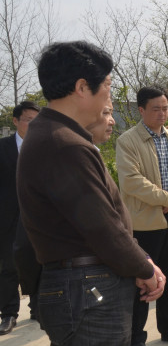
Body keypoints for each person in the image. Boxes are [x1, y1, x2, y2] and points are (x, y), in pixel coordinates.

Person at [17, 41, 165, 346]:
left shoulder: (52, 134)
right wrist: (145, 268)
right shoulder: (63, 143)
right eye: (108, 86)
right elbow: (102, 228)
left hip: (80, 287)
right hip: (89, 291)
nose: (109, 97)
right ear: (82, 87)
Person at [13, 103, 114, 331]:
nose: (111, 120)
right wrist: (142, 267)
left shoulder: (87, 152)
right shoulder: (68, 154)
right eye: (105, 112)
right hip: (78, 281)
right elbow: (103, 225)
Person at [116, 85, 168, 346]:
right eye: (155, 109)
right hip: (144, 222)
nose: (162, 114)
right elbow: (131, 181)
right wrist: (164, 198)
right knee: (143, 281)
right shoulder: (128, 141)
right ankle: (135, 337)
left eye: (165, 108)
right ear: (141, 110)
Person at [0, 101, 39, 335]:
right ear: (15, 121)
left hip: (40, 217)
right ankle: (8, 314)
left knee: (40, 261)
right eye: (28, 120)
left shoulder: (45, 146)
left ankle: (38, 307)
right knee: (9, 266)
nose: (33, 125)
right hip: (9, 219)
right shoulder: (3, 147)